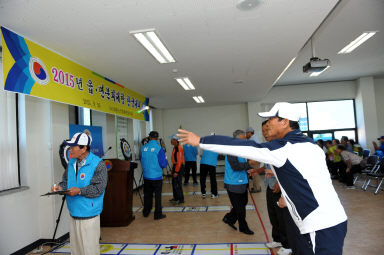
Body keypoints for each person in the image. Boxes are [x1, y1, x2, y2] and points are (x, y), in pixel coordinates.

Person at [178, 102, 348, 255]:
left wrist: (201, 140)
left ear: (285, 121)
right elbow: (309, 178)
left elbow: (244, 147)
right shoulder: (309, 144)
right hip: (330, 219)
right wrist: (287, 198)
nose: (267, 124)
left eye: (271, 119)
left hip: (319, 225)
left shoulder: (284, 147)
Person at [54, 133, 108, 255]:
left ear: (84, 148)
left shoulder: (98, 164)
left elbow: (98, 188)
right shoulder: (71, 162)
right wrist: (60, 187)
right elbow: (66, 181)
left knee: (89, 250)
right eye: (70, 146)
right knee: (76, 250)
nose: (70, 149)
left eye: (73, 147)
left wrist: (79, 191)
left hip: (89, 214)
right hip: (74, 212)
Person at [252, 121, 292, 255]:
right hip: (269, 185)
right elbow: (268, 166)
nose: (265, 133)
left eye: (267, 129)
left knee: (282, 217)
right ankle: (278, 239)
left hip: (280, 187)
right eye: (263, 131)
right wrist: (258, 171)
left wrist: (280, 184)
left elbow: (287, 168)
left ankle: (287, 245)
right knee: (273, 215)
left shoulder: (282, 145)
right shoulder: (269, 147)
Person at [222, 129, 254, 235]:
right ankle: (243, 227)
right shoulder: (231, 150)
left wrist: (248, 168)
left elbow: (241, 164)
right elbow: (235, 166)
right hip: (233, 183)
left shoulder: (241, 149)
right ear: (236, 139)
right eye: (243, 139)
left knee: (243, 203)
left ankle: (229, 218)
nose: (244, 141)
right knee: (240, 208)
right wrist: (249, 164)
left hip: (242, 182)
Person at [141, 131, 168, 220]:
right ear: (157, 138)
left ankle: (146, 212)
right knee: (157, 196)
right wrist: (166, 160)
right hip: (156, 177)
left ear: (149, 137)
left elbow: (142, 160)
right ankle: (157, 215)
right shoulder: (159, 148)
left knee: (147, 195)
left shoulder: (143, 148)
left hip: (146, 176)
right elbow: (163, 164)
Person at [246, 127, 262, 193]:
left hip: (255, 159)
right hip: (256, 158)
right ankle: (257, 187)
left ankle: (256, 188)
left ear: (250, 132)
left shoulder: (252, 139)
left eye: (247, 133)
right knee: (255, 173)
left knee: (254, 174)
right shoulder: (254, 138)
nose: (246, 134)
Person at [170, 135, 185, 204]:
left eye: (172, 140)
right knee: (174, 183)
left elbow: (179, 162)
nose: (171, 141)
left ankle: (181, 199)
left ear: (176, 141)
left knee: (178, 184)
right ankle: (176, 197)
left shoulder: (178, 149)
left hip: (178, 167)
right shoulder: (174, 148)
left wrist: (176, 171)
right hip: (175, 166)